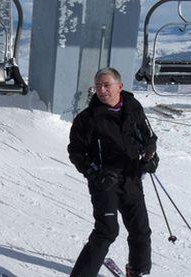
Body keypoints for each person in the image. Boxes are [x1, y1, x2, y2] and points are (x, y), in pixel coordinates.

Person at [67, 67, 159, 277]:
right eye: (98, 86)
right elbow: (76, 152)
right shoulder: (86, 119)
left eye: (106, 85)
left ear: (120, 86)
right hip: (104, 182)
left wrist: (151, 158)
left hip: (131, 177)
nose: (102, 90)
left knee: (140, 231)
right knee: (106, 231)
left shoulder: (133, 107)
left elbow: (148, 138)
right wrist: (95, 172)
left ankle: (137, 271)